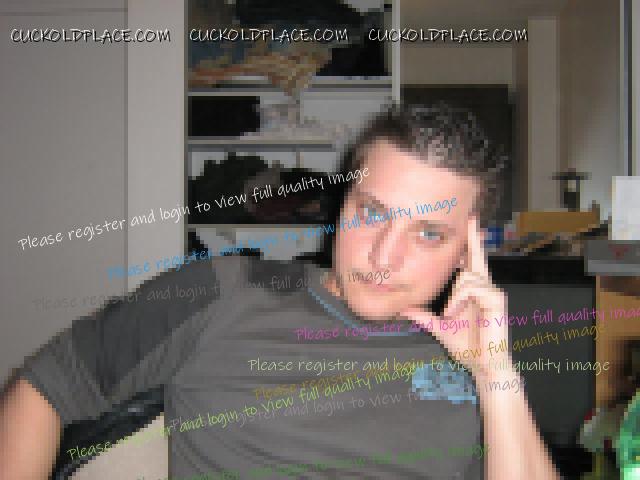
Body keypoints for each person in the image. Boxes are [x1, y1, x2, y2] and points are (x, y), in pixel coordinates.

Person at [0, 103, 560, 479]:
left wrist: (495, 374)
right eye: (372, 213)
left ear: (467, 252)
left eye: (428, 234)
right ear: (341, 205)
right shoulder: (222, 292)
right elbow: (44, 388)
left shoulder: (477, 366)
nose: (384, 257)